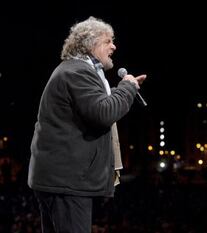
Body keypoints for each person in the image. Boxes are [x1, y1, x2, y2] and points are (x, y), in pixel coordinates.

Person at [28, 16, 146, 232]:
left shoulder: (74, 70)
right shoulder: (77, 72)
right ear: (91, 44)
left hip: (62, 180)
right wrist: (127, 87)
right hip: (67, 182)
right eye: (108, 40)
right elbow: (104, 112)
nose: (114, 46)